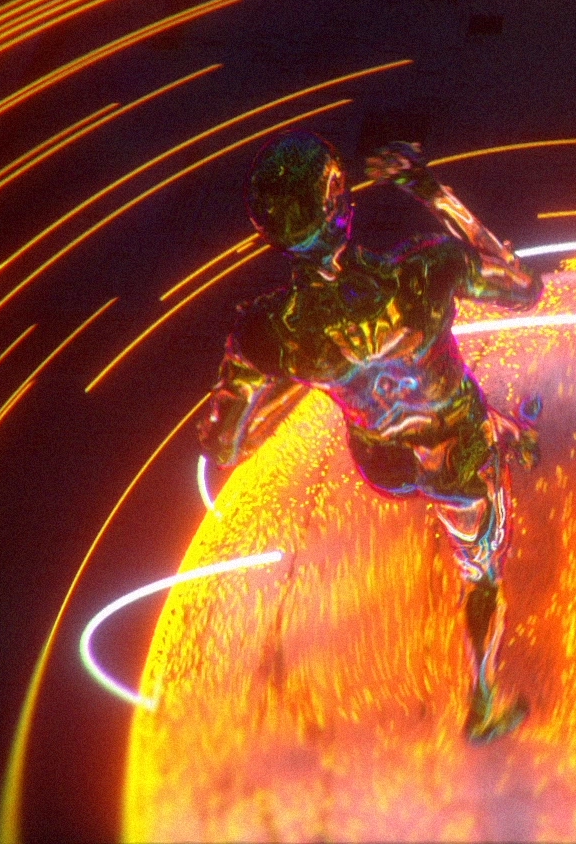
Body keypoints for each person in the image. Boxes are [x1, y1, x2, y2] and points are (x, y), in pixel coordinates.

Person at [196, 132, 543, 742]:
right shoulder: (422, 270)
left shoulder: (265, 331)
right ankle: (483, 700)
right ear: (342, 205)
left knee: (480, 428)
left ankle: (508, 429)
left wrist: (309, 377)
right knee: (482, 572)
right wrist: (430, 189)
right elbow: (523, 288)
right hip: (457, 454)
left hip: (384, 463)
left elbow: (226, 446)